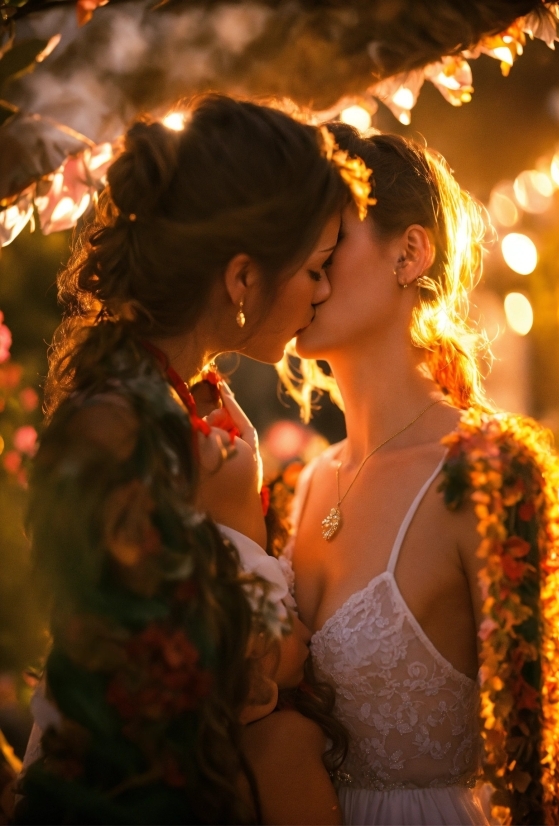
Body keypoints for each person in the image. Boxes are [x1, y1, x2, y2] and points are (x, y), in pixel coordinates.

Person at [15, 95, 371, 825]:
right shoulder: (113, 429)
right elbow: (216, 683)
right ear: (242, 280)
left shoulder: (179, 400)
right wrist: (239, 520)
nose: (324, 290)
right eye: (312, 269)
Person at [280, 125, 559, 826]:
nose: (301, 267)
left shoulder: (485, 474)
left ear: (408, 252)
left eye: (326, 238)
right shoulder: (302, 484)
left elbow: (537, 777)